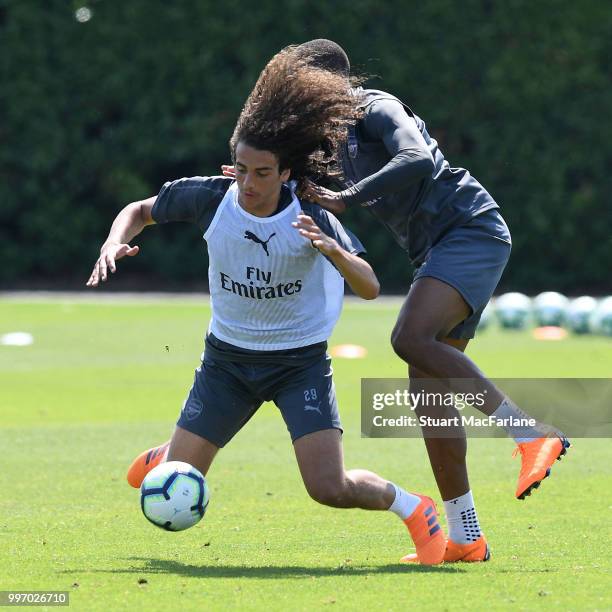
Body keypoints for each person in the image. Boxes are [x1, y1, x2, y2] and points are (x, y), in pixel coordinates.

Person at [87, 49, 447, 564]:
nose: (249, 185)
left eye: (262, 173)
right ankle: (171, 455)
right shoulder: (213, 198)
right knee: (182, 481)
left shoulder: (312, 213)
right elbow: (138, 211)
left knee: (328, 487)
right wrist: (112, 242)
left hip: (298, 366)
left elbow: (369, 286)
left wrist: (333, 252)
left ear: (285, 173)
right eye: (241, 170)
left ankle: (414, 508)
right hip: (226, 364)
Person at [223, 40, 570, 563]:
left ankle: (530, 435)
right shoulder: (327, 140)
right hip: (435, 250)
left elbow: (418, 157)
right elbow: (281, 182)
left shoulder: (377, 107)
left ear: (328, 88)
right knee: (428, 397)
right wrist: (245, 186)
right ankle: (465, 535)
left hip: (470, 229)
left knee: (409, 337)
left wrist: (346, 197)